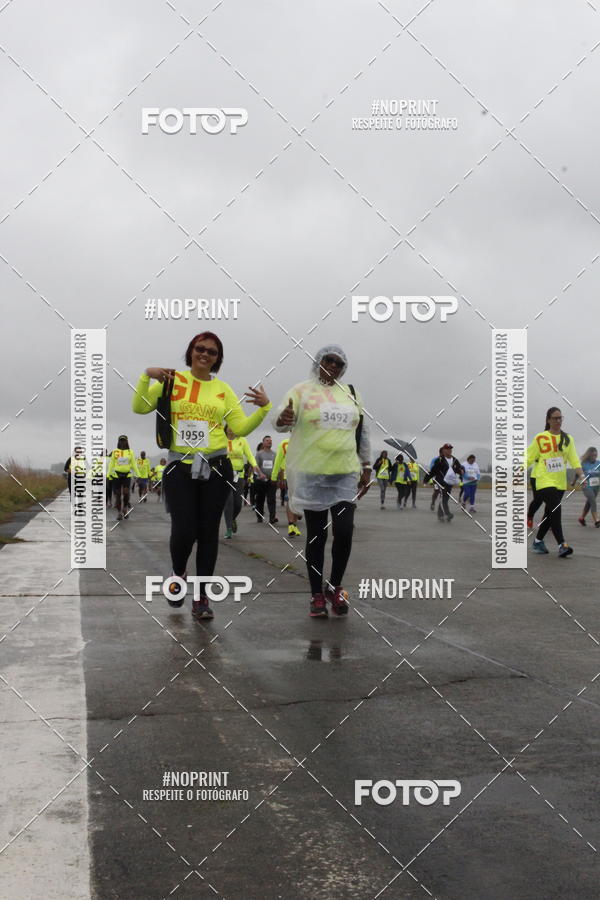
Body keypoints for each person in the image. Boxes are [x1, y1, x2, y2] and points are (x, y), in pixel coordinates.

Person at [132, 332, 271, 620]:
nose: (205, 354)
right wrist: (147, 375)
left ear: (218, 359)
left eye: (212, 352)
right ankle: (179, 572)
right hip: (179, 465)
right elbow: (140, 406)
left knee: (208, 533)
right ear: (191, 351)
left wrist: (264, 408)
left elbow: (241, 428)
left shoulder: (223, 390)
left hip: (217, 466)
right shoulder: (172, 381)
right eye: (200, 349)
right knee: (184, 530)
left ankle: (202, 597)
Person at [274, 345, 371, 617]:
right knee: (317, 536)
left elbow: (362, 432)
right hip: (313, 474)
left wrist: (366, 465)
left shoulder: (350, 393)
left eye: (339, 363)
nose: (334, 366)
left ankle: (335, 586)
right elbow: (281, 422)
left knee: (345, 531)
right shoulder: (301, 390)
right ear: (318, 361)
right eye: (329, 360)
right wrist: (282, 418)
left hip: (344, 474)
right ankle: (316, 594)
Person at [527, 407, 583, 557]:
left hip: (559, 483)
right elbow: (528, 457)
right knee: (556, 509)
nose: (558, 421)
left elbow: (574, 459)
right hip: (543, 480)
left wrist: (581, 475)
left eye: (560, 418)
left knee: (549, 513)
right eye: (555, 418)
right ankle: (562, 545)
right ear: (548, 420)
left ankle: (538, 542)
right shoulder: (541, 437)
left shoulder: (567, 439)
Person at [224, 427, 259, 538]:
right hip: (225, 475)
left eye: (233, 426)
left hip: (239, 475)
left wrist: (254, 465)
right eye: (229, 426)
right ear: (225, 428)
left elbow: (249, 455)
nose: (231, 429)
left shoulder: (242, 440)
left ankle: (232, 518)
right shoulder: (221, 439)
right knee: (228, 503)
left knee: (238, 504)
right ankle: (229, 529)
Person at [424, 444, 464, 522]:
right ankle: (447, 514)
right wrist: (426, 479)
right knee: (443, 499)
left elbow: (459, 469)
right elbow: (433, 471)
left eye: (450, 449)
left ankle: (440, 515)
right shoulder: (439, 460)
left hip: (449, 483)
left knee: (445, 499)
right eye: (447, 449)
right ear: (443, 450)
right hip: (441, 482)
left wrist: (461, 472)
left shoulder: (455, 460)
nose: (449, 450)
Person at [271, 438, 301, 537]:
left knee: (297, 501)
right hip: (287, 475)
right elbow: (278, 460)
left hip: (302, 476)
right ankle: (290, 525)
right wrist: (274, 476)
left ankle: (295, 525)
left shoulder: (306, 441)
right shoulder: (284, 443)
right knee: (291, 499)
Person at [107, 436, 140, 520]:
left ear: (126, 442)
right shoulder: (115, 451)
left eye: (124, 441)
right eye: (121, 441)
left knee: (125, 493)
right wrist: (108, 475)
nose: (122, 442)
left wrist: (138, 475)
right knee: (118, 495)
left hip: (127, 475)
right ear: (118, 442)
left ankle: (125, 508)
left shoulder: (130, 452)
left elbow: (134, 464)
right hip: (116, 475)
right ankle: (119, 513)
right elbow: (111, 464)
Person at [254, 435, 278, 524]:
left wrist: (276, 477)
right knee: (260, 499)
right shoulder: (259, 453)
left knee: (272, 499)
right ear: (263, 442)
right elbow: (256, 465)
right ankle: (259, 516)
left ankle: (272, 517)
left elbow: (277, 466)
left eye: (270, 440)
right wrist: (261, 474)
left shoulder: (274, 454)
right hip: (261, 480)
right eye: (267, 440)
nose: (269, 442)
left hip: (271, 480)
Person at [575, 447, 600, 527]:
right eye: (592, 455)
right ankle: (597, 520)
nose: (594, 457)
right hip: (586, 485)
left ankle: (582, 518)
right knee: (592, 501)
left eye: (595, 455)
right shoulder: (584, 464)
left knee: (589, 503)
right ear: (589, 455)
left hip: (596, 487)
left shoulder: (598, 463)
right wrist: (573, 481)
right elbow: (577, 473)